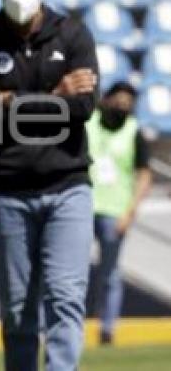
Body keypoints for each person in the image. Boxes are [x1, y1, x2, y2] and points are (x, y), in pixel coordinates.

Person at [0, 0, 98, 371]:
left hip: (67, 189)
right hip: (8, 194)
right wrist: (55, 96)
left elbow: (83, 108)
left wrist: (13, 104)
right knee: (19, 313)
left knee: (65, 301)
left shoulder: (73, 36)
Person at [87, 81, 152, 346]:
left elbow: (144, 174)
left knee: (110, 272)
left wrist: (131, 211)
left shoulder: (134, 131)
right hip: (81, 206)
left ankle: (107, 328)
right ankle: (68, 324)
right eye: (119, 100)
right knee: (71, 270)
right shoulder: (88, 122)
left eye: (128, 103)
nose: (122, 106)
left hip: (115, 210)